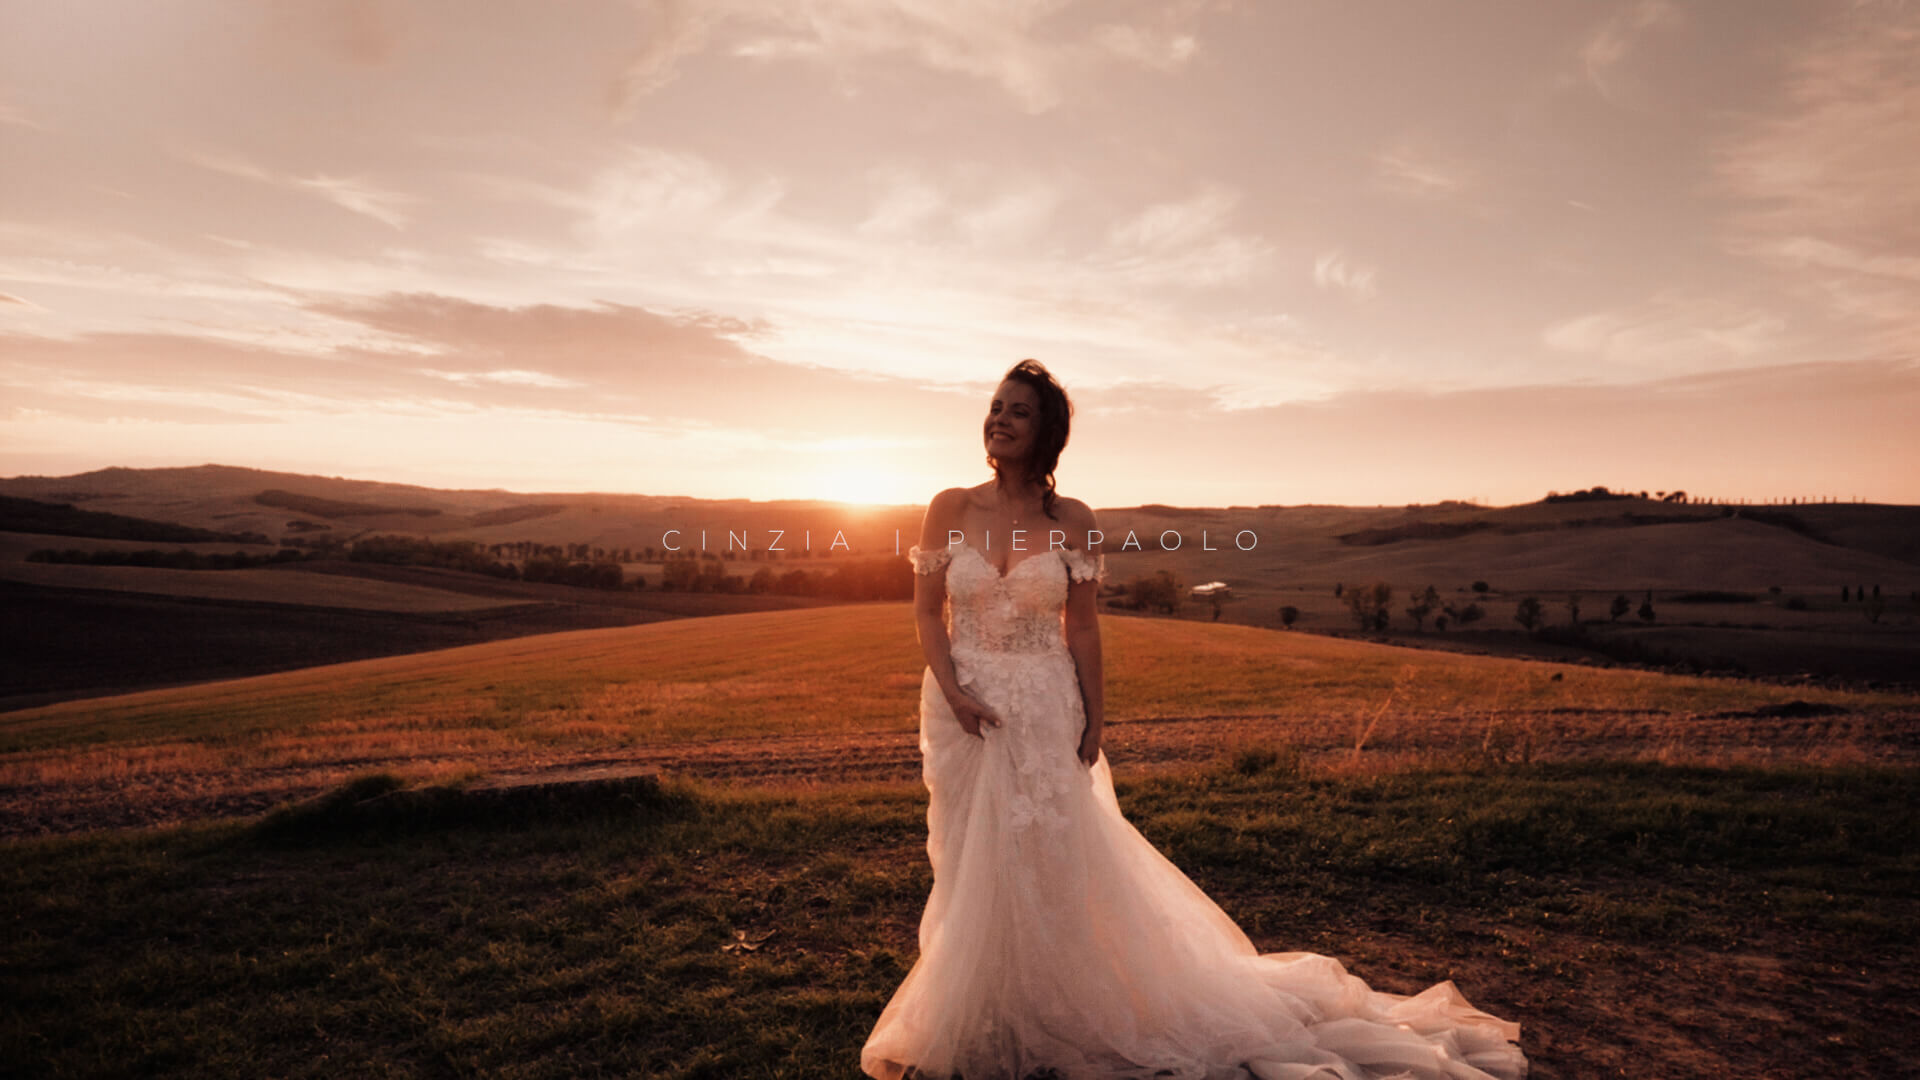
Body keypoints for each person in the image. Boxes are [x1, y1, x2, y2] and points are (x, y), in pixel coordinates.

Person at [861, 360, 1528, 1080]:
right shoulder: (949, 506)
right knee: (967, 858)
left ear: (1045, 431)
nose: (999, 418)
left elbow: (1082, 629)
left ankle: (1053, 1006)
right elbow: (929, 612)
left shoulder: (1075, 522)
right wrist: (954, 691)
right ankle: (982, 1003)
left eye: (1018, 411)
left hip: (1044, 702)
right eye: (995, 406)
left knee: (1046, 857)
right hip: (960, 705)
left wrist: (1095, 721)